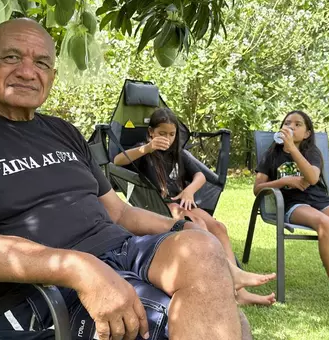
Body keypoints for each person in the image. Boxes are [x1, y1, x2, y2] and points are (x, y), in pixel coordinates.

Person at [0, 18, 250, 340]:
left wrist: (184, 228)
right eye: (11, 57)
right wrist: (79, 268)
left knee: (202, 251)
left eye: (41, 62)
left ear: (52, 75)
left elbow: (120, 214)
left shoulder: (63, 132)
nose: (26, 71)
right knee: (213, 322)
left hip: (122, 252)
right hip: (43, 290)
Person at [113, 107, 276, 306]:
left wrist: (189, 191)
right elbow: (117, 161)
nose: (168, 138)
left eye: (172, 134)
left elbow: (200, 175)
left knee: (219, 227)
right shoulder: (144, 151)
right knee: (199, 225)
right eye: (162, 133)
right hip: (160, 206)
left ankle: (239, 293)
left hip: (182, 201)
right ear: (151, 132)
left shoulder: (177, 154)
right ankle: (227, 277)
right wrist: (148, 147)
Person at [253, 110, 329, 318]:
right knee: (324, 223)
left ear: (308, 133)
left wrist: (292, 149)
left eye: (298, 124)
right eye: (287, 123)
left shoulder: (312, 153)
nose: (291, 126)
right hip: (293, 204)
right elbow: (257, 188)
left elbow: (311, 177)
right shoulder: (271, 155)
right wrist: (284, 181)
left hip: (321, 201)